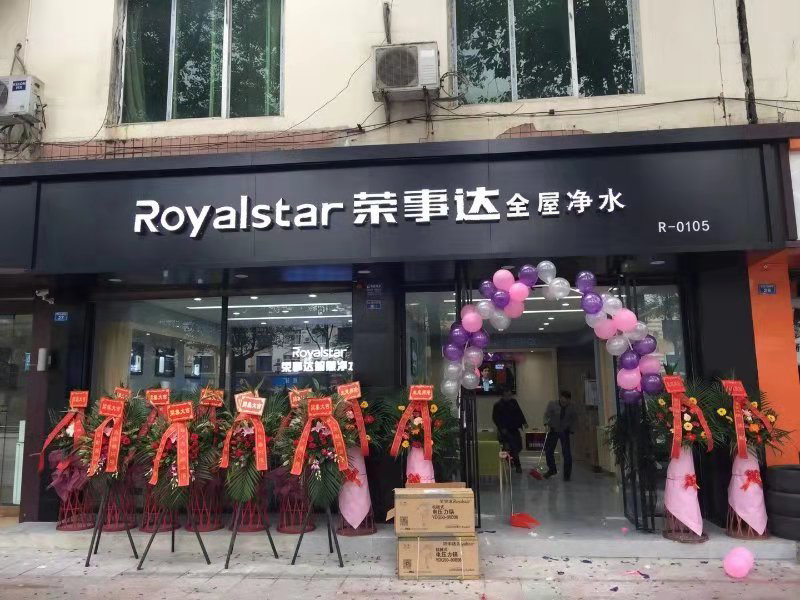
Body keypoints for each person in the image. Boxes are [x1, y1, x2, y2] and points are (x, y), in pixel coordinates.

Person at [543, 390, 577, 481]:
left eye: (566, 402)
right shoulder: (552, 404)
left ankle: (567, 475)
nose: (564, 403)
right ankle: (552, 469)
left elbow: (574, 419)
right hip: (553, 429)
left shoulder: (572, 407)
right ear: (560, 398)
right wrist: (546, 424)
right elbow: (546, 415)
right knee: (549, 450)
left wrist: (572, 429)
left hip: (564, 431)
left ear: (569, 400)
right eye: (562, 401)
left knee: (566, 453)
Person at [492, 388, 527, 473]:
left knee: (518, 447)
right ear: (503, 395)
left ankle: (512, 461)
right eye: (507, 395)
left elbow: (519, 412)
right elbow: (495, 418)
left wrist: (524, 422)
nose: (509, 397)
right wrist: (501, 428)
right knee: (512, 447)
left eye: (510, 395)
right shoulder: (498, 405)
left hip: (514, 428)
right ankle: (517, 466)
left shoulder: (513, 402)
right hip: (505, 430)